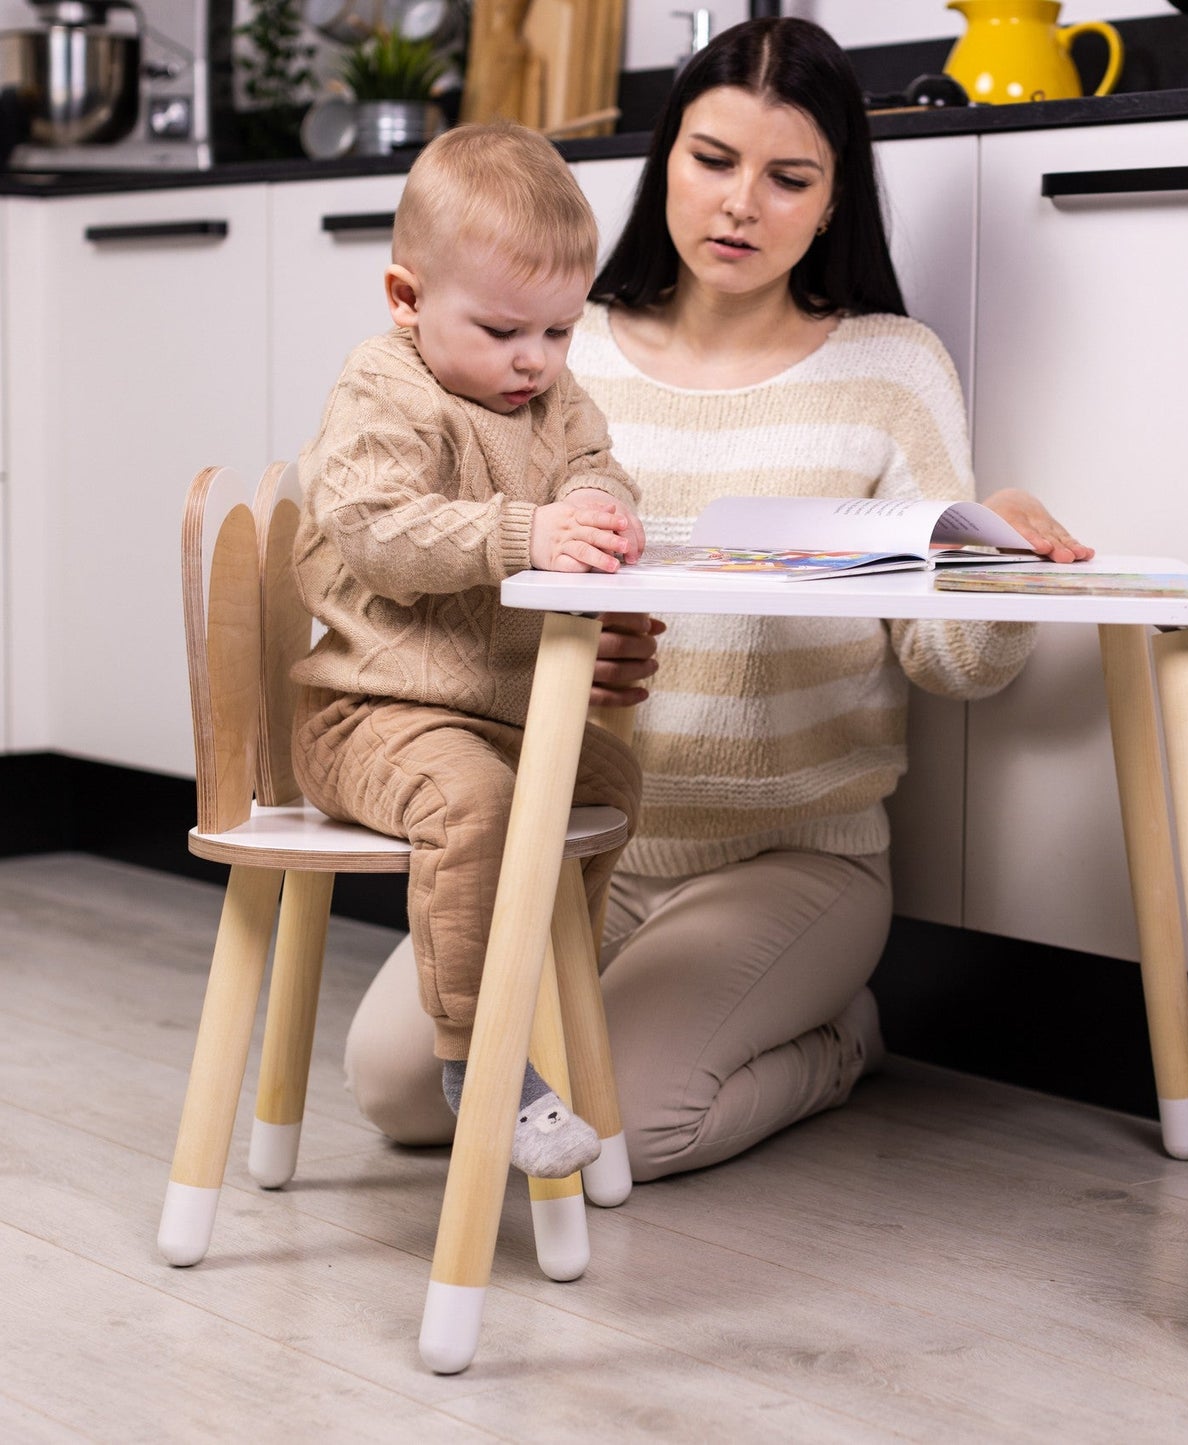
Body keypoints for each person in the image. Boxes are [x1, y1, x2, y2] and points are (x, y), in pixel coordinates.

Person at [341, 17, 1093, 1178]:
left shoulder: (890, 367)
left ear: (834, 197)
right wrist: (544, 652)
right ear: (663, 165)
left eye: (788, 176)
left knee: (613, 1131)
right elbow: (468, 570)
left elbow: (955, 663)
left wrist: (993, 554)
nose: (740, 204)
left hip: (790, 858)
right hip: (578, 834)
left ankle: (839, 1040)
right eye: (711, 161)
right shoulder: (554, 349)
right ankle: (679, 1025)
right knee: (400, 1089)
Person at [289, 122, 646, 1178]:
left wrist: (592, 505)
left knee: (612, 777)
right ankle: (474, 1060)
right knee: (475, 804)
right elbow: (373, 526)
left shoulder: (545, 395)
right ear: (406, 299)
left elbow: (601, 464)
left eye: (559, 332)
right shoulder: (383, 389)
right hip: (371, 713)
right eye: (501, 330)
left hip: (496, 711)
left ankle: (537, 984)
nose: (533, 360)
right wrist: (522, 533)